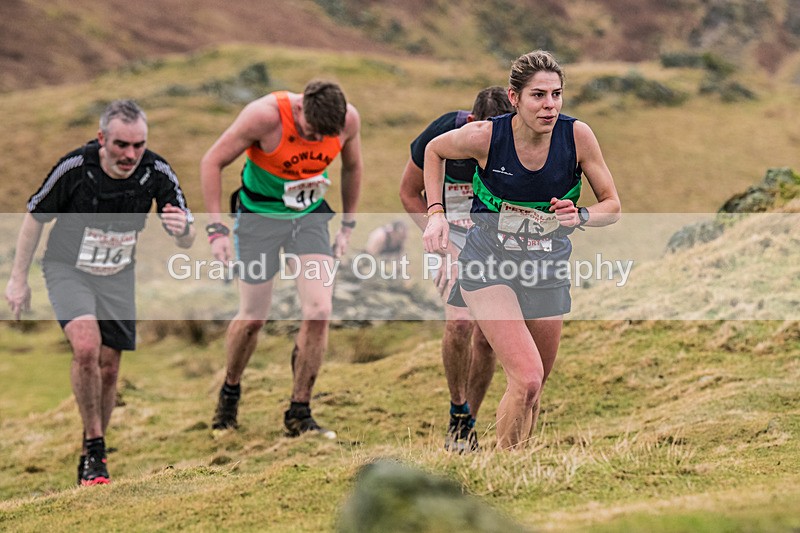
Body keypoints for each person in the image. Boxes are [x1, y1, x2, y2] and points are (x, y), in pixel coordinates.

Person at [422, 51, 621, 449]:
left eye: (556, 95)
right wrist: (436, 213)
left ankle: (512, 466)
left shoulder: (578, 137)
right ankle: (500, 476)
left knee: (533, 387)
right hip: (487, 264)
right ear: (514, 99)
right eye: (538, 96)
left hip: (545, 267)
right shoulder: (486, 137)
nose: (549, 105)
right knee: (527, 376)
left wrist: (580, 215)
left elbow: (612, 205)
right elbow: (434, 151)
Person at [4, 99, 195, 485]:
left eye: (138, 145)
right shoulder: (75, 168)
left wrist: (183, 229)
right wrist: (18, 279)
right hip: (67, 269)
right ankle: (94, 448)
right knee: (87, 348)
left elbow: (186, 234)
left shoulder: (157, 170)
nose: (131, 154)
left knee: (110, 367)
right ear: (102, 138)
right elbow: (34, 218)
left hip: (118, 275)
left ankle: (94, 452)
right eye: (122, 145)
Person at [200, 80, 362, 439]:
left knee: (319, 310)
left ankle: (299, 411)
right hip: (258, 218)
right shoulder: (264, 116)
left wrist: (348, 225)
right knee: (253, 318)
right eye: (310, 133)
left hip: (309, 218)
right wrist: (215, 231)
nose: (316, 142)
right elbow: (212, 161)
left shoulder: (348, 120)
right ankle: (230, 390)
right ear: (301, 108)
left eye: (324, 138)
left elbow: (352, 168)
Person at [399, 86, 513, 452]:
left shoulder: (516, 143)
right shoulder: (444, 134)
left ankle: (468, 425)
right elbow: (407, 193)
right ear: (472, 123)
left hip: (494, 241)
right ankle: (457, 408)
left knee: (487, 336)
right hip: (447, 234)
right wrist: (441, 241)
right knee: (460, 323)